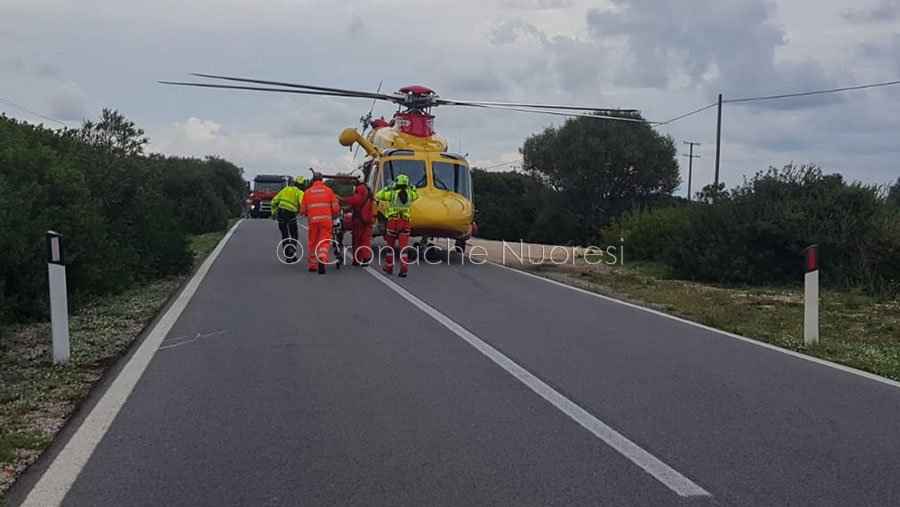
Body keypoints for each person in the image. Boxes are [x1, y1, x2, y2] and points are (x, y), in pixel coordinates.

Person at [375, 173, 419, 277]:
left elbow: (378, 195)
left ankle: (389, 267)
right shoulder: (410, 194)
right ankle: (404, 267)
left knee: (390, 246)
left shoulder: (392, 193)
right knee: (404, 247)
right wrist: (412, 186)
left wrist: (387, 187)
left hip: (393, 223)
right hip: (405, 223)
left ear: (396, 183)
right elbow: (417, 194)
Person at [300, 172, 340, 274]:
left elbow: (303, 211)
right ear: (322, 180)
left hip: (313, 222)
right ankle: (322, 258)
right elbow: (336, 209)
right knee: (324, 241)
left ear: (313, 180)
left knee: (313, 242)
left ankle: (313, 265)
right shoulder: (328, 191)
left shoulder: (307, 192)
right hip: (326, 222)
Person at [340, 175, 375, 266]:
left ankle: (358, 259)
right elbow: (359, 202)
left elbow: (356, 200)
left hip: (360, 219)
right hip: (367, 218)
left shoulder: (360, 189)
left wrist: (342, 199)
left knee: (357, 239)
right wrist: (348, 208)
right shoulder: (367, 189)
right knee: (365, 239)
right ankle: (366, 257)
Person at [270, 176, 306, 263]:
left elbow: (274, 201)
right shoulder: (299, 192)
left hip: (281, 213)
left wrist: (274, 213)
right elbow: (302, 204)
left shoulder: (285, 189)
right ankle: (292, 250)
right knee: (294, 234)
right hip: (290, 213)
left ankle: (288, 256)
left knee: (285, 235)